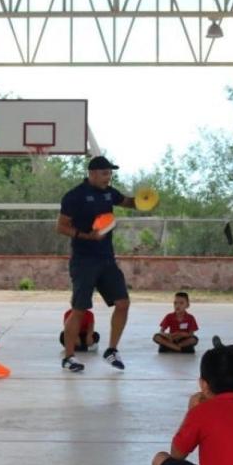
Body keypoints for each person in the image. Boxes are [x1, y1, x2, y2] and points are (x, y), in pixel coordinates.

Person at [56, 155, 138, 373]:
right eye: (104, 173)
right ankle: (69, 357)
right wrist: (86, 236)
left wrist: (144, 200)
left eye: (110, 173)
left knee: (123, 302)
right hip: (84, 260)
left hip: (107, 259)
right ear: (92, 174)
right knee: (80, 309)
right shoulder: (74, 196)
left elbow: (128, 202)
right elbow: (62, 227)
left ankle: (111, 350)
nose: (108, 177)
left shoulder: (110, 193)